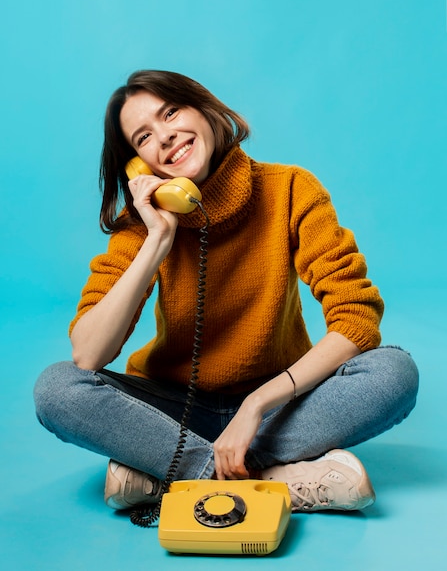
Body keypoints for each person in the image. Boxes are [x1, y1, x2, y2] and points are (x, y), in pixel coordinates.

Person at [34, 70, 419, 514]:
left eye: (171, 112)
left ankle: (170, 474)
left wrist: (255, 405)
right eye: (143, 137)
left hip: (277, 406)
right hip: (174, 410)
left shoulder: (292, 189)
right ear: (137, 162)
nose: (165, 137)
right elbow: (88, 354)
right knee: (56, 388)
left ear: (203, 107)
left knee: (395, 371)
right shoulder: (142, 225)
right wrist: (158, 238)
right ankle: (259, 479)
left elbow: (356, 321)